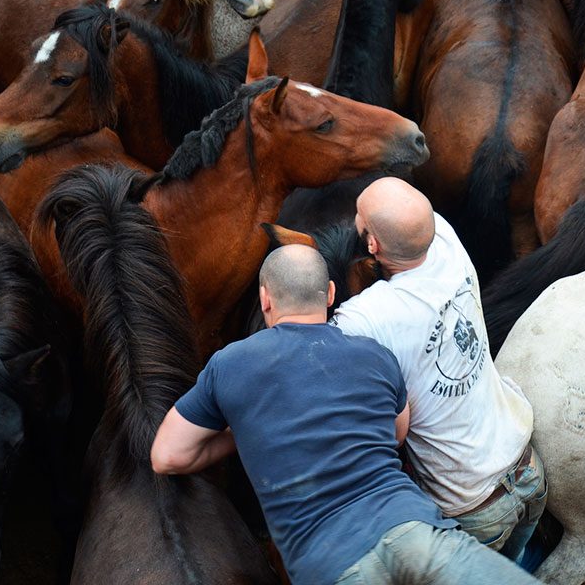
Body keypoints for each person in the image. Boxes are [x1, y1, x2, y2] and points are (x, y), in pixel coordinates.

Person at [151, 245, 540, 585]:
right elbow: (395, 434)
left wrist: (250, 428)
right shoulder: (375, 355)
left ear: (265, 299)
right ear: (331, 294)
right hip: (416, 530)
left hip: (330, 563)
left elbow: (168, 456)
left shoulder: (228, 364)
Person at [330, 177, 546, 560]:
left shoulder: (367, 316)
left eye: (359, 222)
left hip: (473, 510)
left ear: (372, 246)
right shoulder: (444, 237)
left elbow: (312, 343)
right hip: (529, 469)